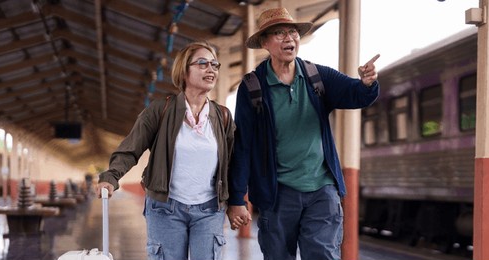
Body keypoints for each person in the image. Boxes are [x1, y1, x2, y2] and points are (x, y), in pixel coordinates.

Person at [226, 7, 380, 260]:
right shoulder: (252, 88)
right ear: (264, 43)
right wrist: (236, 198)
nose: (289, 38)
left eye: (292, 32)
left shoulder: (317, 77)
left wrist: (367, 82)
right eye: (278, 33)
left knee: (322, 254)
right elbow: (244, 146)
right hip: (277, 193)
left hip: (321, 189)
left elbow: (356, 94)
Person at [96, 41, 237, 260]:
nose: (210, 69)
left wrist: (237, 202)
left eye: (214, 65)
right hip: (166, 209)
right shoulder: (160, 110)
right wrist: (111, 176)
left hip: (209, 211)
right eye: (202, 63)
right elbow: (130, 148)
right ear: (184, 70)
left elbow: (233, 163)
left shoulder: (223, 117)